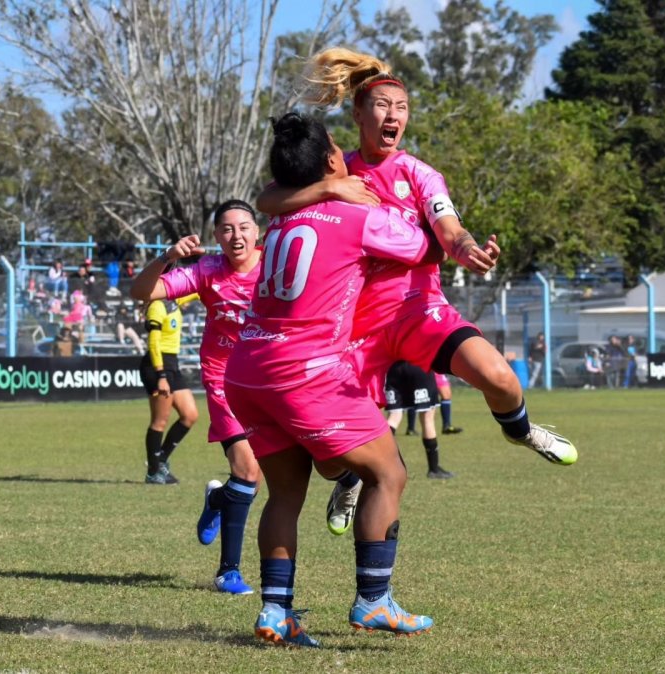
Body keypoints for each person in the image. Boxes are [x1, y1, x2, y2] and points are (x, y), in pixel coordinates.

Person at [257, 48, 577, 486]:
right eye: (383, 105)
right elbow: (267, 200)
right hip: (353, 328)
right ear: (358, 113)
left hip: (417, 311)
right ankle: (348, 480)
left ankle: (521, 431)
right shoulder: (334, 167)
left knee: (500, 378)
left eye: (402, 107)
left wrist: (466, 249)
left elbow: (449, 229)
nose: (394, 115)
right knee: (329, 464)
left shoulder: (420, 174)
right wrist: (331, 190)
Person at [224, 112, 440, 647]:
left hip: (248, 370)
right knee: (388, 473)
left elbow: (273, 194)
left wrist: (326, 185)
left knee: (284, 496)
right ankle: (373, 601)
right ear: (328, 164)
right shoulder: (356, 218)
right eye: (338, 150)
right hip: (305, 371)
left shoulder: (279, 221)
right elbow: (421, 246)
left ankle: (276, 612)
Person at [132, 199, 264, 595]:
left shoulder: (278, 263)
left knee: (258, 479)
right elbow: (142, 291)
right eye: (226, 229)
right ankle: (228, 572)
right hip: (224, 378)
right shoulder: (207, 270)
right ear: (216, 237)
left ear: (257, 232)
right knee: (248, 471)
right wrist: (168, 257)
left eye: (243, 227)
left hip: (270, 376)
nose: (235, 235)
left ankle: (218, 500)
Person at [139, 294, 199, 485]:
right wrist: (161, 375)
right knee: (159, 421)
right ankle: (153, 472)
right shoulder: (157, 306)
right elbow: (153, 343)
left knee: (190, 415)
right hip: (157, 366)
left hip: (172, 364)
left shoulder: (173, 302)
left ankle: (161, 460)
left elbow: (197, 289)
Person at [385, 361, 454, 479]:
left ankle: (380, 464)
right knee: (427, 417)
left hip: (394, 368)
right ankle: (434, 469)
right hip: (419, 365)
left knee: (394, 416)